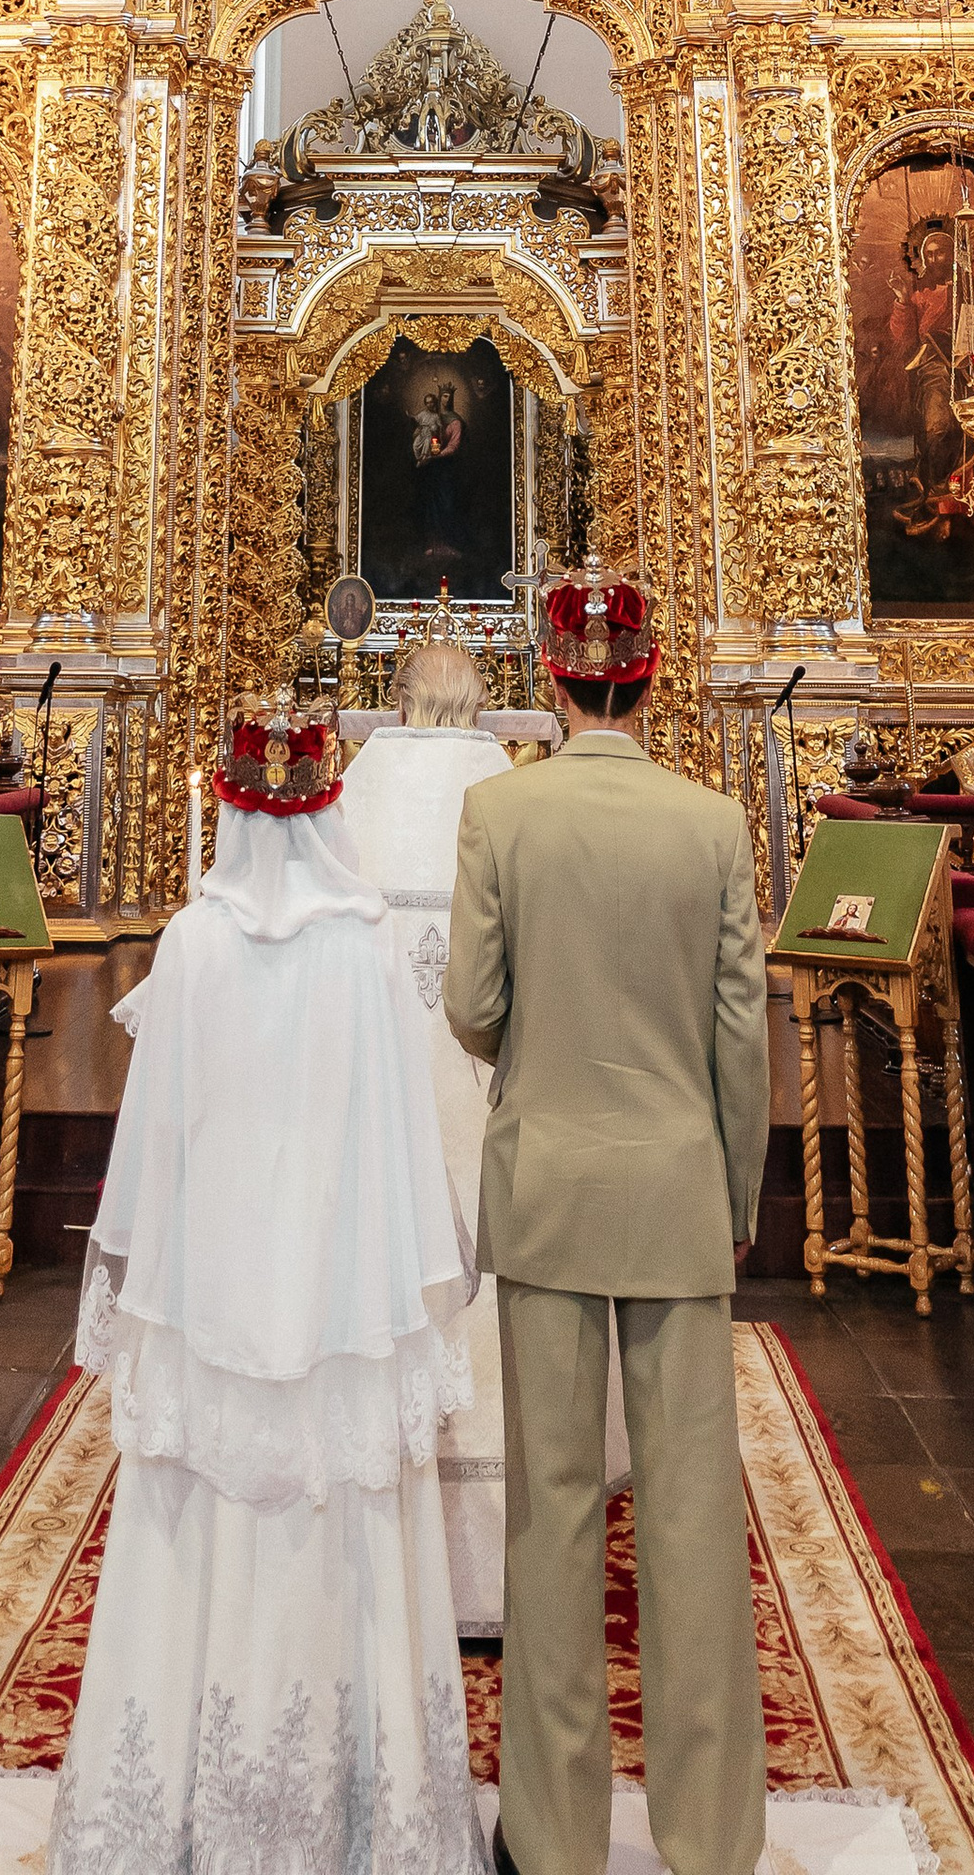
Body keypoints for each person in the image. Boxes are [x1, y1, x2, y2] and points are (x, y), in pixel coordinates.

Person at [46, 694, 480, 1874]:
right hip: (341, 1268)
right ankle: (363, 1812)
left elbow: (155, 1141)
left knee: (205, 1517)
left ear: (230, 808)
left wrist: (148, 1277)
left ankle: (184, 1804)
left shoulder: (194, 941)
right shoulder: (365, 941)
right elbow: (400, 1123)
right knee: (344, 1516)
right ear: (325, 804)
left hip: (220, 1267)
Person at [445, 569, 770, 1875]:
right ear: (649, 674)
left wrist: (547, 1049)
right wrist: (732, 1193)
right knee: (692, 1515)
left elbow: (471, 1006)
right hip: (679, 1192)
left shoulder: (498, 813)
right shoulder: (714, 825)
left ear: (554, 672)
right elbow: (738, 1034)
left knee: (554, 1514)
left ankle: (555, 1834)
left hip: (552, 1189)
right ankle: (708, 1839)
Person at [339, 633, 539, 1634]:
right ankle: (497, 1531)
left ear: (402, 697)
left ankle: (376, 1502)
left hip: (376, 1058)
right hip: (481, 1059)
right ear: (481, 701)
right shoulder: (507, 787)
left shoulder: (358, 781)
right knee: (476, 1235)